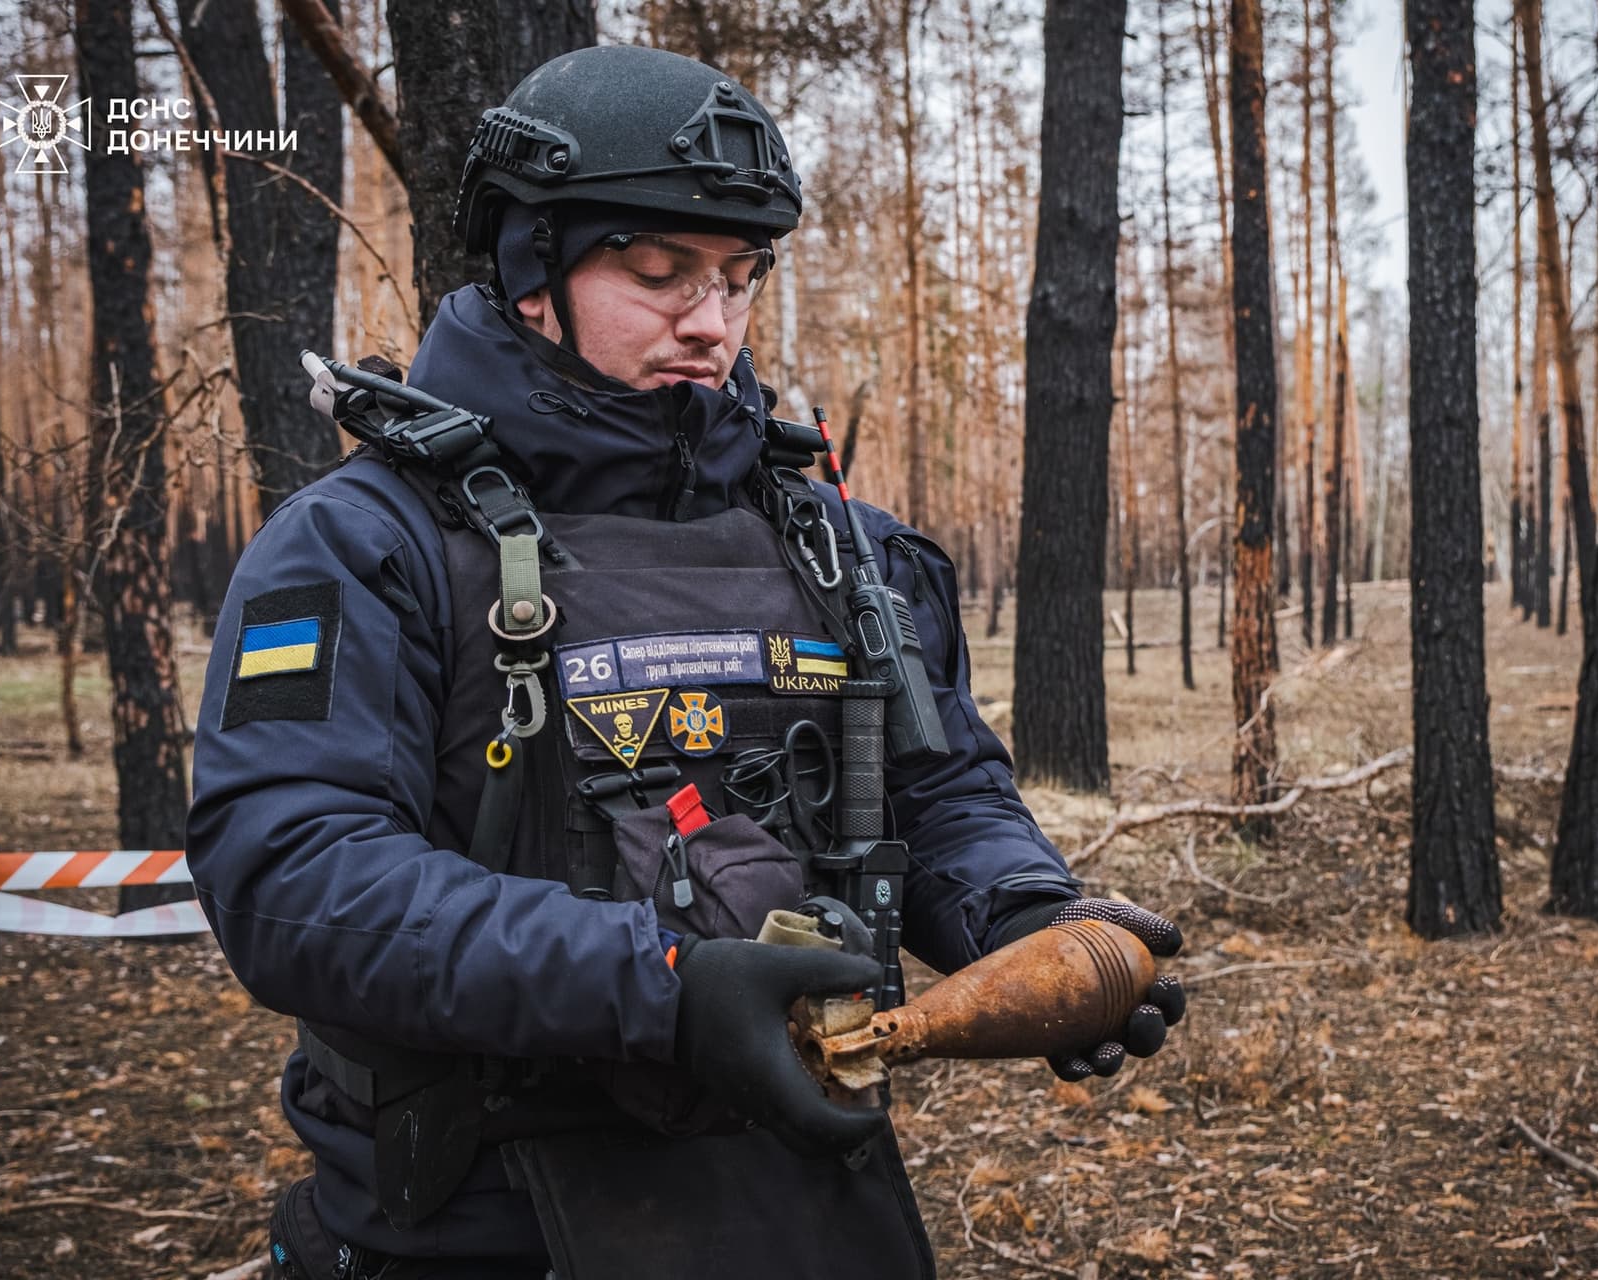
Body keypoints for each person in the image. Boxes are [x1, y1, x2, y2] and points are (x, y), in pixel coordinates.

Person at [187, 44, 1185, 1280]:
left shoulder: (834, 539)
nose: (711, 322)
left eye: (739, 277)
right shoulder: (361, 544)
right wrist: (665, 986)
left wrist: (1023, 917)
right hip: (480, 1226)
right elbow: (293, 875)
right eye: (658, 272)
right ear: (530, 269)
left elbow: (940, 791)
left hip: (814, 1206)